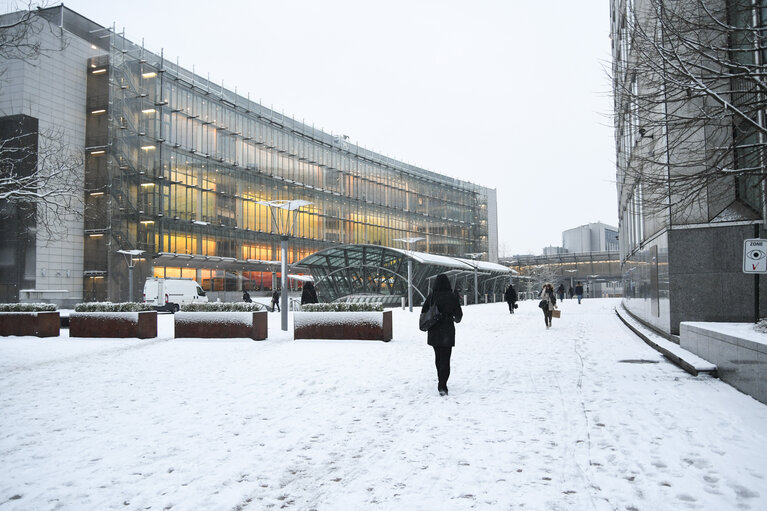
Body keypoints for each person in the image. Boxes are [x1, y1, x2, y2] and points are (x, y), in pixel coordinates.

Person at [422, 274, 463, 396]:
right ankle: (442, 384)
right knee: (446, 358)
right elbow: (459, 315)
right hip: (447, 330)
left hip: (434, 330)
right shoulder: (452, 297)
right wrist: (453, 318)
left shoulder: (431, 296)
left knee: (438, 357)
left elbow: (424, 311)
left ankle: (441, 379)